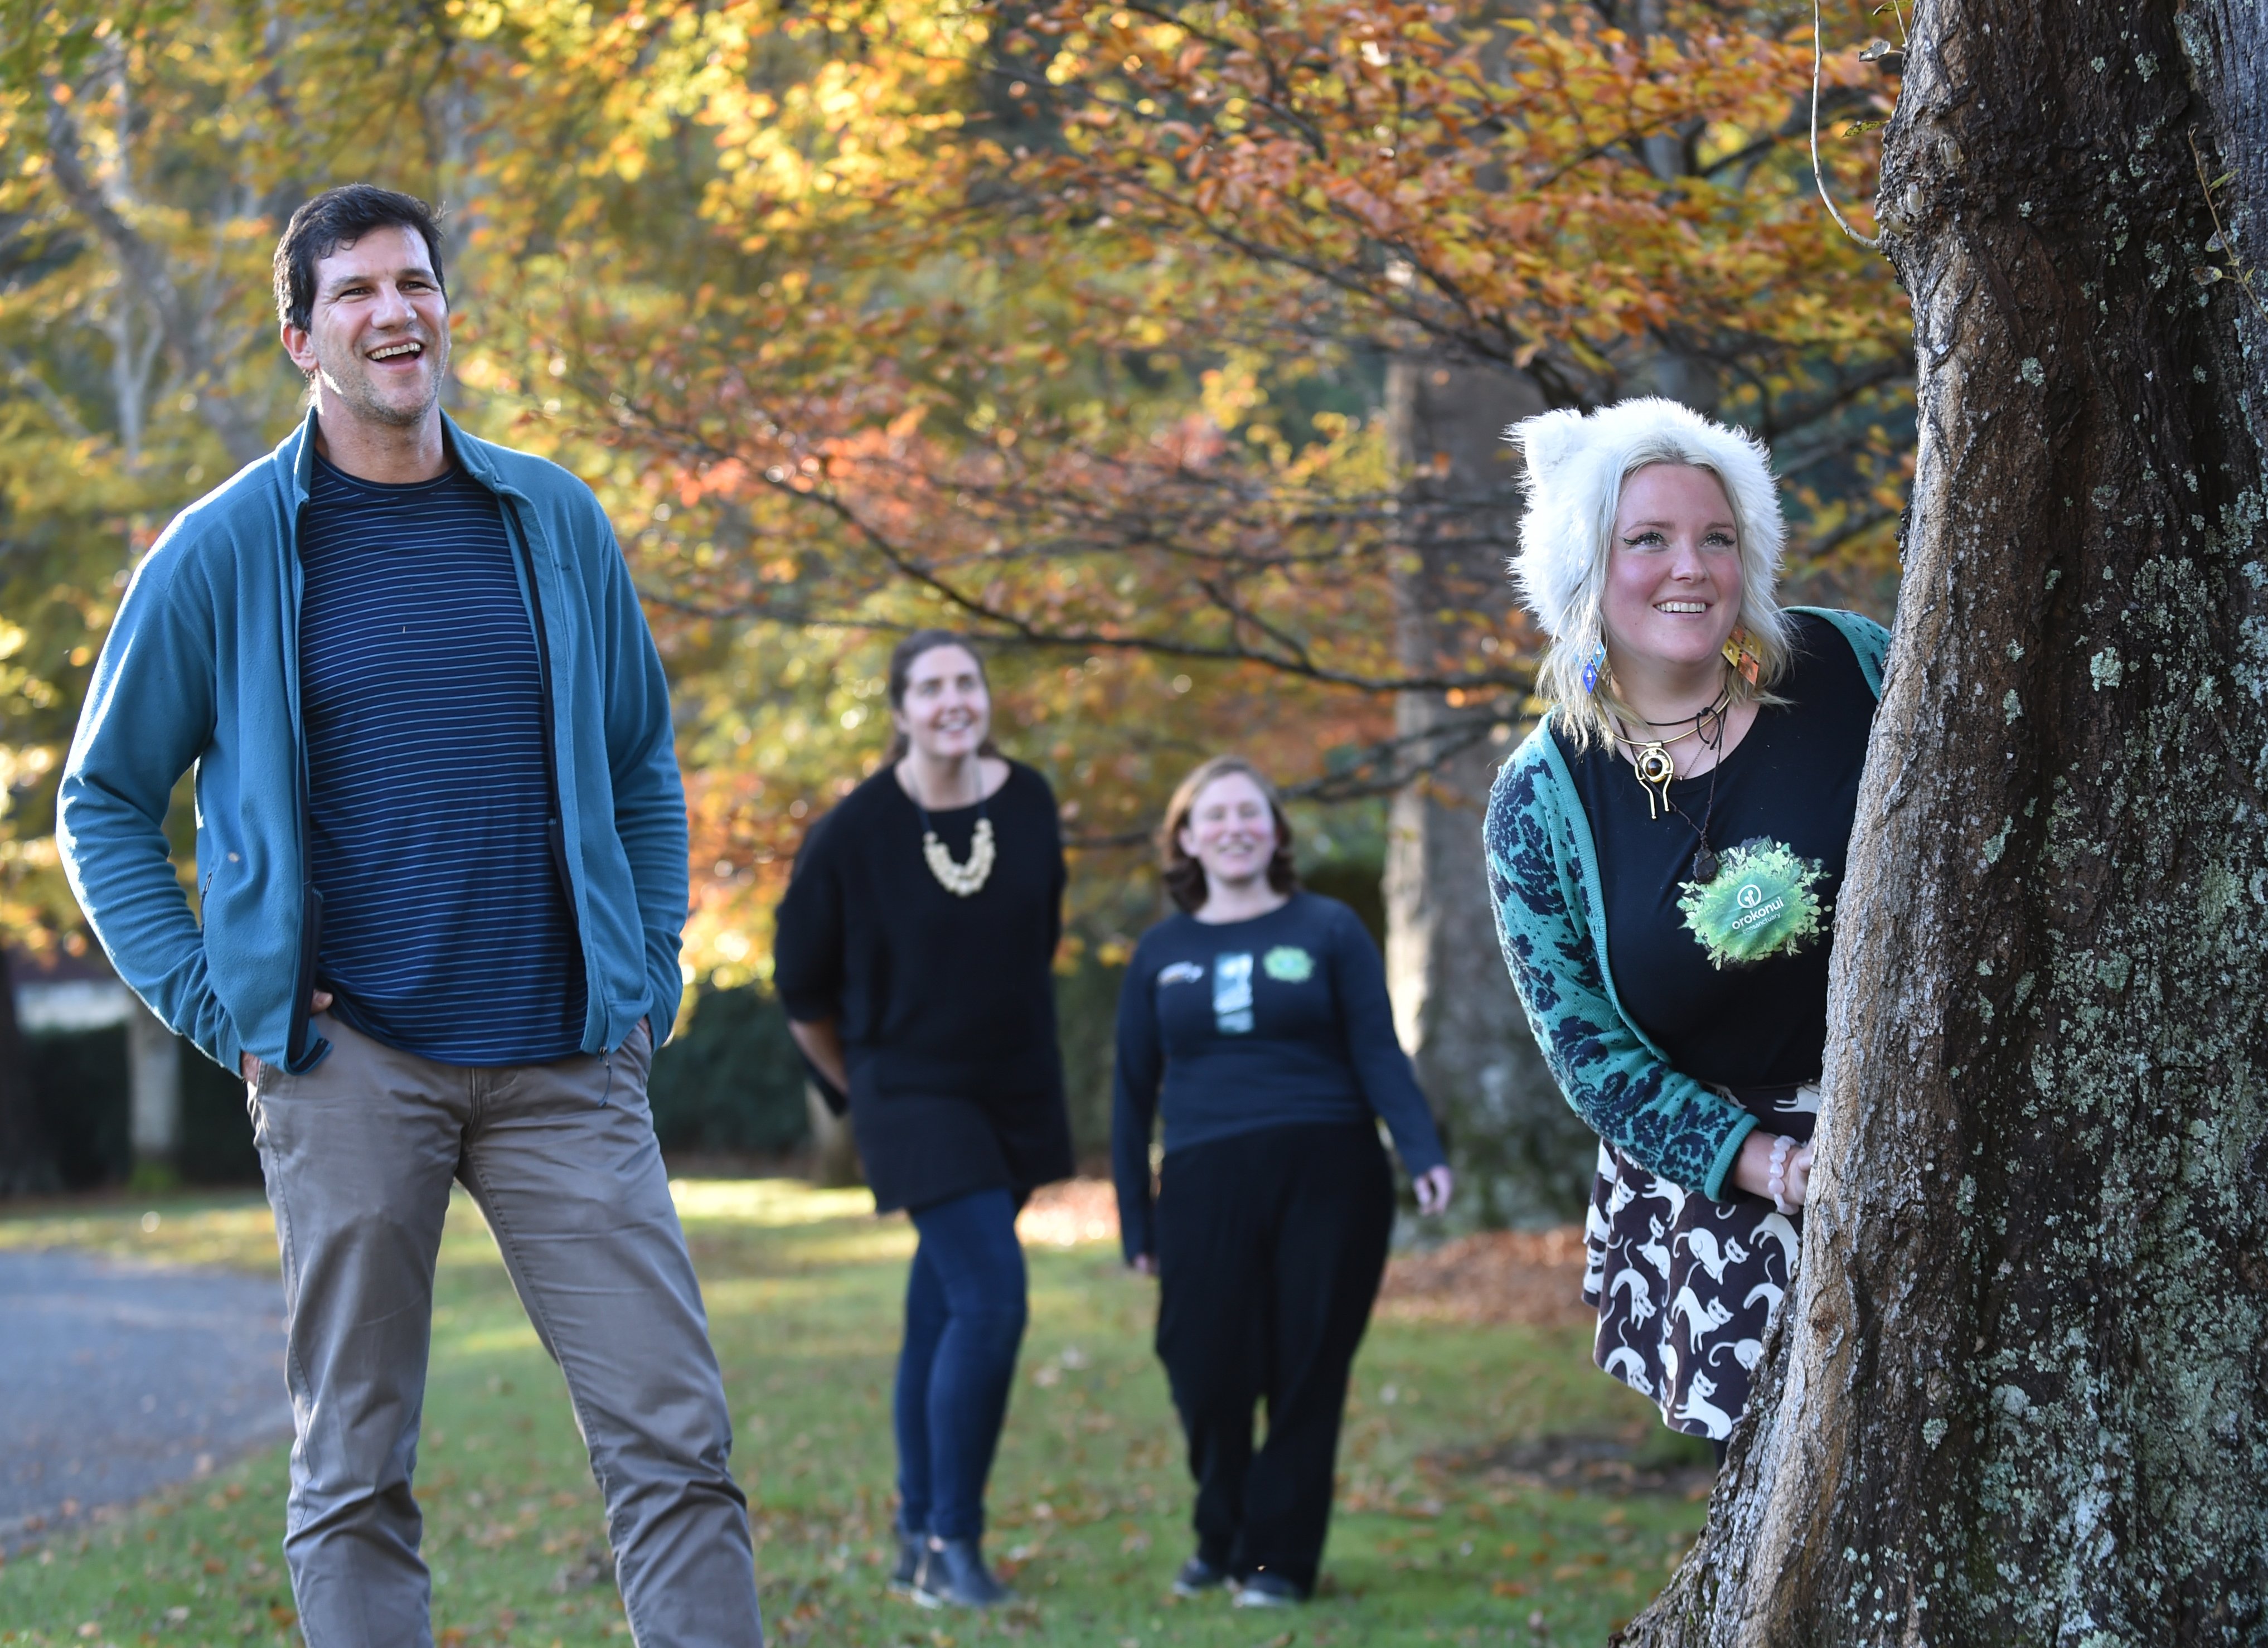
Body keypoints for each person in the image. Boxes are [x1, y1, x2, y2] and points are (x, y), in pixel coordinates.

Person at [55, 186, 763, 1645]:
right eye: (360, 291)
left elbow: (640, 758)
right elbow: (102, 800)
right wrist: (218, 1001)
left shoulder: (549, 515)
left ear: (446, 306)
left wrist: (647, 974)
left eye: (416, 283)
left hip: (570, 1057)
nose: (396, 312)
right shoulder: (226, 547)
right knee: (356, 1467)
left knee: (675, 1442)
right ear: (301, 332)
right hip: (348, 1068)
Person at [1481, 398, 1888, 1461]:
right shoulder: (1541, 802)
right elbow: (1590, 1059)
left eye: (1717, 536)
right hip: (1730, 1201)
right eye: (1648, 539)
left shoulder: (1855, 669)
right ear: (1585, 567)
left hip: (1926, 1117)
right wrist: (1765, 1165)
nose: (1691, 568)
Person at [772, 631, 1074, 1610]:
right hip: (907, 1087)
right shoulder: (853, 832)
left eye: (968, 683)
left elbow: (1041, 935)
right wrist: (862, 1092)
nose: (955, 700)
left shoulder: (1025, 801)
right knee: (990, 1299)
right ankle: (953, 1540)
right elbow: (801, 987)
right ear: (900, 710)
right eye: (932, 687)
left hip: (1012, 1085)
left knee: (941, 1305)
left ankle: (912, 1533)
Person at [1112, 756, 1453, 1607]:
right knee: (1204, 1368)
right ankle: (1220, 1535)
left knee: (1307, 1368)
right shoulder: (1160, 952)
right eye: (1213, 815)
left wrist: (1423, 1151)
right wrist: (1134, 1221)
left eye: (1250, 812)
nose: (1233, 827)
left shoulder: (1330, 929)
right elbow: (1128, 1093)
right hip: (1201, 1176)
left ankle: (1278, 1562)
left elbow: (1378, 1048)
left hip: (1330, 1171)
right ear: (1187, 838)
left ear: (1274, 831)